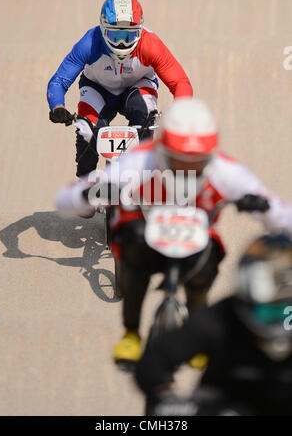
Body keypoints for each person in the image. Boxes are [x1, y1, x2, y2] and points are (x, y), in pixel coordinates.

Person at [55, 97, 292, 364]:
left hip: (197, 237)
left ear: (211, 154)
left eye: (197, 161)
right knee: (131, 245)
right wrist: (89, 194)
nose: (188, 169)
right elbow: (66, 199)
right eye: (180, 160)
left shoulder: (225, 170)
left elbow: (281, 214)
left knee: (209, 258)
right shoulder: (139, 160)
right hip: (144, 235)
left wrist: (260, 206)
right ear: (161, 150)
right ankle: (131, 333)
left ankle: (197, 330)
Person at [135, 234, 292, 416]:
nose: (277, 321)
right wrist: (165, 398)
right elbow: (157, 358)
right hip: (222, 404)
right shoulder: (222, 317)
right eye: (268, 308)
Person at [47, 0, 193, 177]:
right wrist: (57, 106)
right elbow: (59, 80)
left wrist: (179, 110)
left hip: (137, 86)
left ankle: (143, 178)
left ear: (139, 31)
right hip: (97, 88)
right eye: (115, 36)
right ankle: (85, 185)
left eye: (129, 36)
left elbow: (180, 82)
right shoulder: (89, 43)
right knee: (86, 130)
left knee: (146, 116)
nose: (123, 43)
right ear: (102, 29)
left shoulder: (151, 44)